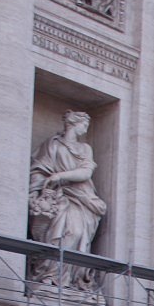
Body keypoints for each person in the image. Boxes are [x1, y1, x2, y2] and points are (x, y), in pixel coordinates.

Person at [27, 110, 106, 292]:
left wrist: (59, 175)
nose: (85, 129)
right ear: (73, 124)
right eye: (84, 125)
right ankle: (50, 276)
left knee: (77, 233)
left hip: (81, 197)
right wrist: (38, 190)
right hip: (57, 196)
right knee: (56, 235)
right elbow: (38, 169)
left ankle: (73, 280)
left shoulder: (85, 148)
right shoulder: (52, 145)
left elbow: (86, 172)